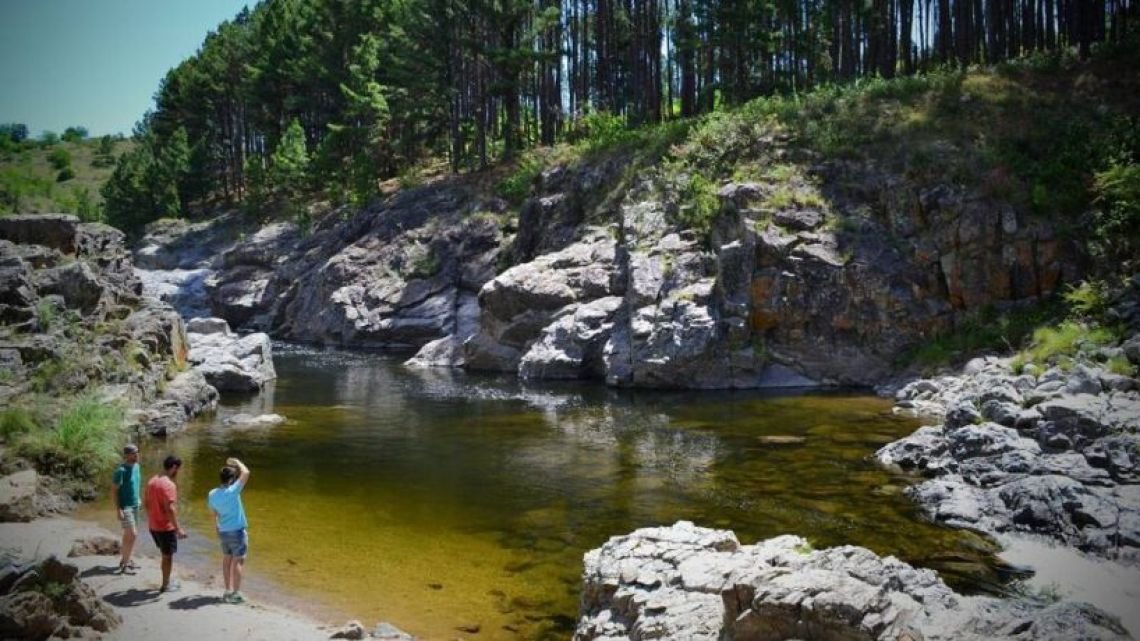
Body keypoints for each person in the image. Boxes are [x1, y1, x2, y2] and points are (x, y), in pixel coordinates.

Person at [207, 457, 251, 604]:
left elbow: (213, 514)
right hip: (237, 532)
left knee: (227, 560)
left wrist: (217, 529)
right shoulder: (233, 491)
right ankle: (236, 594)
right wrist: (237, 462)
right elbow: (246, 472)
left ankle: (227, 590)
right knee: (238, 561)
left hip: (223, 531)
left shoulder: (212, 494)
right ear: (232, 480)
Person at [144, 455, 187, 593]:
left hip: (153, 526)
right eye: (178, 469)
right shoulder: (169, 485)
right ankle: (165, 585)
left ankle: (166, 582)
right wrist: (178, 529)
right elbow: (170, 508)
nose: (178, 473)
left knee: (164, 554)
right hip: (165, 528)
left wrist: (152, 517)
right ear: (174, 467)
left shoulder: (152, 481)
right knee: (167, 556)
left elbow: (146, 503)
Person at [111, 443, 141, 574]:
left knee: (128, 536)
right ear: (127, 455)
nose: (137, 455)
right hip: (125, 507)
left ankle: (125, 560)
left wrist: (139, 499)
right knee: (133, 534)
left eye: (137, 452)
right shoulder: (120, 471)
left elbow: (137, 484)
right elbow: (113, 491)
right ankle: (126, 563)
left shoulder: (137, 467)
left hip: (135, 505)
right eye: (134, 453)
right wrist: (118, 509)